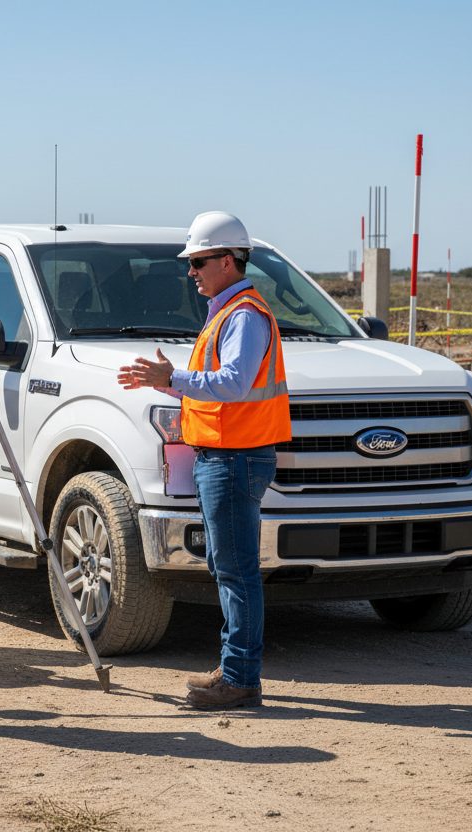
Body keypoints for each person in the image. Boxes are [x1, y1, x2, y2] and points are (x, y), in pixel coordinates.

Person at [117, 211, 290, 710]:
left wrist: (172, 379)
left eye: (197, 261)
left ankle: (240, 678)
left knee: (236, 571)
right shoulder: (229, 312)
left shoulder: (243, 315)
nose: (190, 271)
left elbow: (233, 383)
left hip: (235, 458)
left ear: (228, 260)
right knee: (227, 565)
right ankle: (235, 667)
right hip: (225, 456)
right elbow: (225, 387)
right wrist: (171, 382)